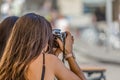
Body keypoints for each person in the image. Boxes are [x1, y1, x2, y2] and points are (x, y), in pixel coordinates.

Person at [0, 13, 86, 80]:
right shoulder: (49, 61)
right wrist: (68, 54)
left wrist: (54, 54)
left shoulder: (6, 62)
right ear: (42, 39)